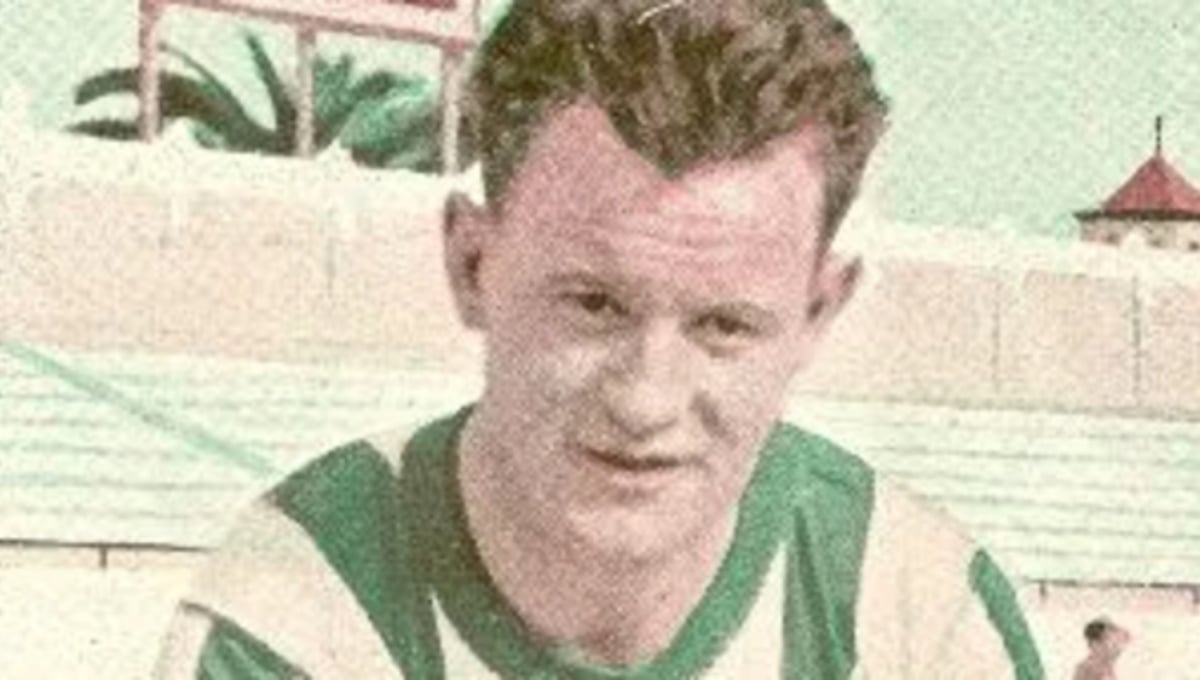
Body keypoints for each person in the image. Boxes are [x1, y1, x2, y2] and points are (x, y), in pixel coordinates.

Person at [155, 0, 1046, 677]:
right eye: (593, 304)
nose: (645, 400)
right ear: (472, 265)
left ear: (818, 313)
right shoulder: (296, 617)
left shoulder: (918, 616)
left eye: (724, 325)